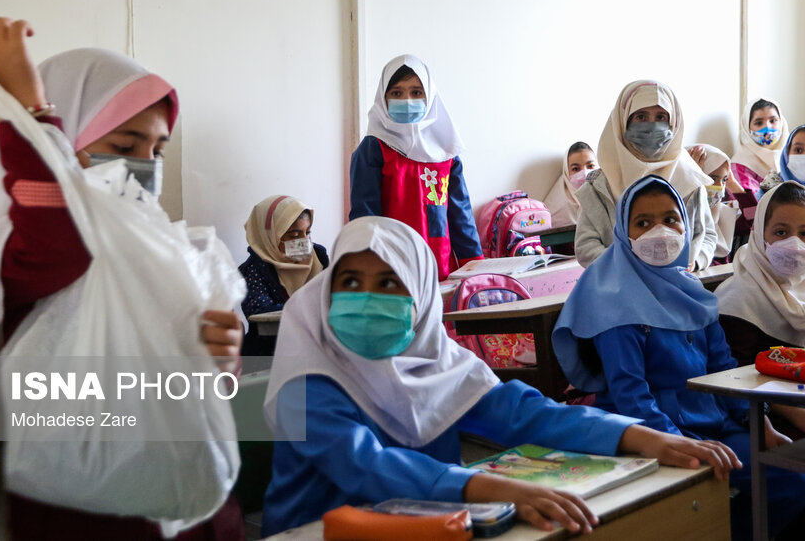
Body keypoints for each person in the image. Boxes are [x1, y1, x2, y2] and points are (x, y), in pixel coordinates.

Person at [261, 216, 741, 535]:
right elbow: (364, 465)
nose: (368, 298)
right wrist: (491, 489)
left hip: (432, 523)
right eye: (350, 282)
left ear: (421, 297)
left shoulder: (435, 362)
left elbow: (525, 414)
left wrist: (640, 437)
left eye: (390, 283)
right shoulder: (306, 380)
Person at [0, 18, 243, 539]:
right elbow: (58, 237)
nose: (146, 167)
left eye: (158, 150)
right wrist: (32, 112)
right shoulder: (15, 243)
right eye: (125, 147)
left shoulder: (162, 246)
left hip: (168, 506)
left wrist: (221, 355)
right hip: (68, 512)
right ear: (64, 138)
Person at [552, 176, 805, 541]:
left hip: (712, 422)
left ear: (686, 226)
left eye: (671, 219)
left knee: (794, 479)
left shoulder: (691, 292)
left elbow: (723, 370)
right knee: (770, 481)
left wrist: (758, 422)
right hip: (651, 432)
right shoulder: (614, 299)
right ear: (623, 233)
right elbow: (630, 395)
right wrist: (678, 444)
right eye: (643, 222)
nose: (659, 231)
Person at [715, 181, 805, 437]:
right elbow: (735, 377)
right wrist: (791, 411)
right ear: (760, 235)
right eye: (781, 232)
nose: (794, 243)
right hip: (764, 412)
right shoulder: (738, 299)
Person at [349, 55, 481, 280]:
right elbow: (365, 219)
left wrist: (474, 267)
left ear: (429, 95)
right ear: (383, 97)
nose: (407, 101)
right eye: (396, 93)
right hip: (391, 270)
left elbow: (461, 216)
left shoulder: (446, 151)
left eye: (417, 92)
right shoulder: (374, 149)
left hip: (441, 270)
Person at [574, 80, 717, 270]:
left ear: (673, 123)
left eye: (661, 117)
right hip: (620, 282)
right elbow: (585, 247)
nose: (652, 126)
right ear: (623, 122)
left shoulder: (691, 179)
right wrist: (625, 265)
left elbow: (708, 235)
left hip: (679, 281)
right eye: (641, 117)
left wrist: (697, 261)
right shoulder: (599, 186)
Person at [239, 195, 329, 356]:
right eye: (294, 235)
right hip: (269, 354)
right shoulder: (253, 270)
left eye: (307, 232)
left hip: (318, 349)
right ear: (270, 235)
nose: (304, 241)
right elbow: (261, 312)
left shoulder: (319, 258)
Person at [689, 144, 741, 263]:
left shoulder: (721, 209)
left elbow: (754, 222)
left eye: (724, 180)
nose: (720, 187)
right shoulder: (678, 211)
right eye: (712, 178)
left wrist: (733, 184)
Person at [730, 98, 789, 195]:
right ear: (747, 128)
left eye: (773, 120)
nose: (767, 127)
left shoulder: (792, 155)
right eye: (759, 123)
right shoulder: (740, 166)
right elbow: (750, 202)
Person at [542, 141, 598, 228]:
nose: (585, 173)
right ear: (566, 172)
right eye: (575, 169)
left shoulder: (609, 193)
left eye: (590, 166)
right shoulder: (557, 207)